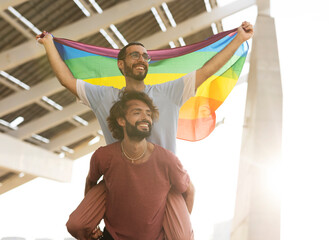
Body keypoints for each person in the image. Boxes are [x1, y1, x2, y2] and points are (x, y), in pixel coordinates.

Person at [36, 21, 254, 238]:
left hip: (164, 179)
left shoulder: (169, 92)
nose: (142, 59)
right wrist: (48, 44)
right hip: (118, 176)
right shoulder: (104, 96)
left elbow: (208, 70)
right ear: (120, 65)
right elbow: (66, 80)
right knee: (76, 224)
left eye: (145, 56)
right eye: (135, 55)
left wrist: (239, 39)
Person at [70, 90, 195, 239]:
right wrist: (93, 222)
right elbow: (90, 182)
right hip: (113, 235)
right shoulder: (104, 156)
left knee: (174, 195)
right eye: (137, 112)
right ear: (121, 120)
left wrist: (178, 225)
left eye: (149, 114)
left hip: (155, 237)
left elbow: (189, 191)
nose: (145, 118)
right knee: (75, 225)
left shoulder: (167, 160)